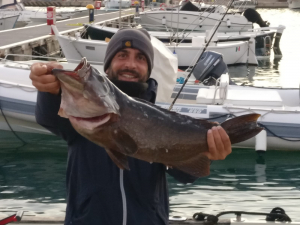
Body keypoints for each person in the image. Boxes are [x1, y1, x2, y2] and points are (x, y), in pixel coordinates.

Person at [29, 28, 231, 225]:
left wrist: (207, 152)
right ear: (107, 66)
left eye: (140, 58)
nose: (130, 64)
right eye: (122, 55)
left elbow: (186, 175)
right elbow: (48, 116)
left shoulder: (161, 120)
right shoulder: (78, 115)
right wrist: (49, 89)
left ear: (149, 69)